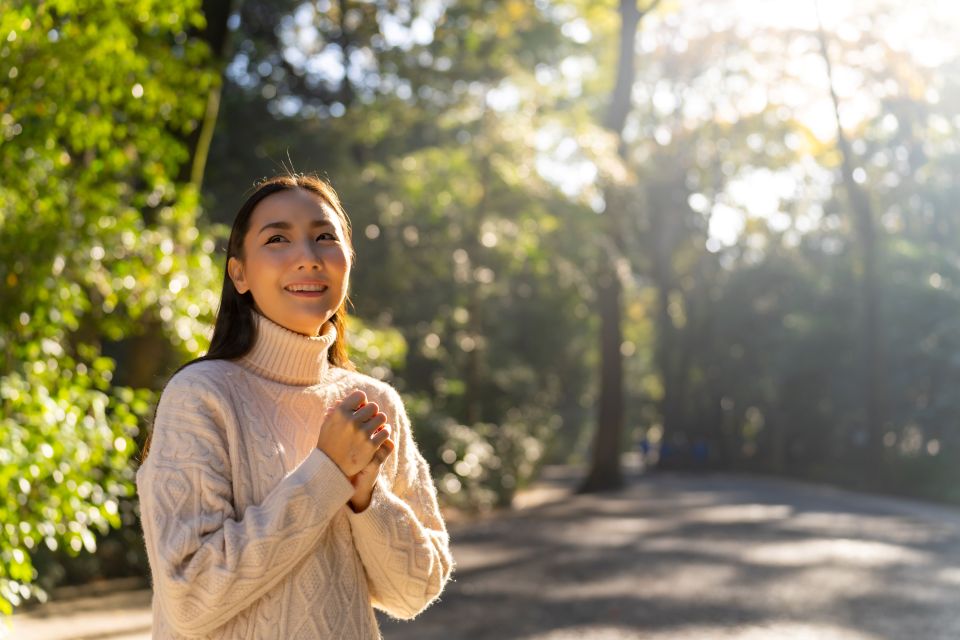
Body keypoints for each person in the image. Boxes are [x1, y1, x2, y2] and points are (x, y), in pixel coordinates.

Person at [136, 174, 453, 639]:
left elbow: (415, 592)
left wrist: (367, 496)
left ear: (347, 261)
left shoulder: (372, 403)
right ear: (239, 273)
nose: (308, 257)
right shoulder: (201, 395)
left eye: (325, 237)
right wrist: (327, 473)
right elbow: (190, 597)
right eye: (278, 239)